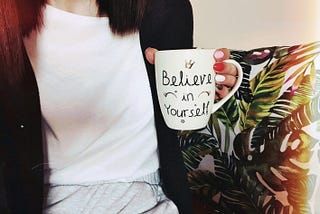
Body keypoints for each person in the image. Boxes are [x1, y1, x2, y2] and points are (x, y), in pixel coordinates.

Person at [0, 0, 239, 213]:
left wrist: (205, 86)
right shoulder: (8, 24)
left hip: (147, 199)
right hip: (47, 201)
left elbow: (175, 108)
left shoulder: (165, 10)